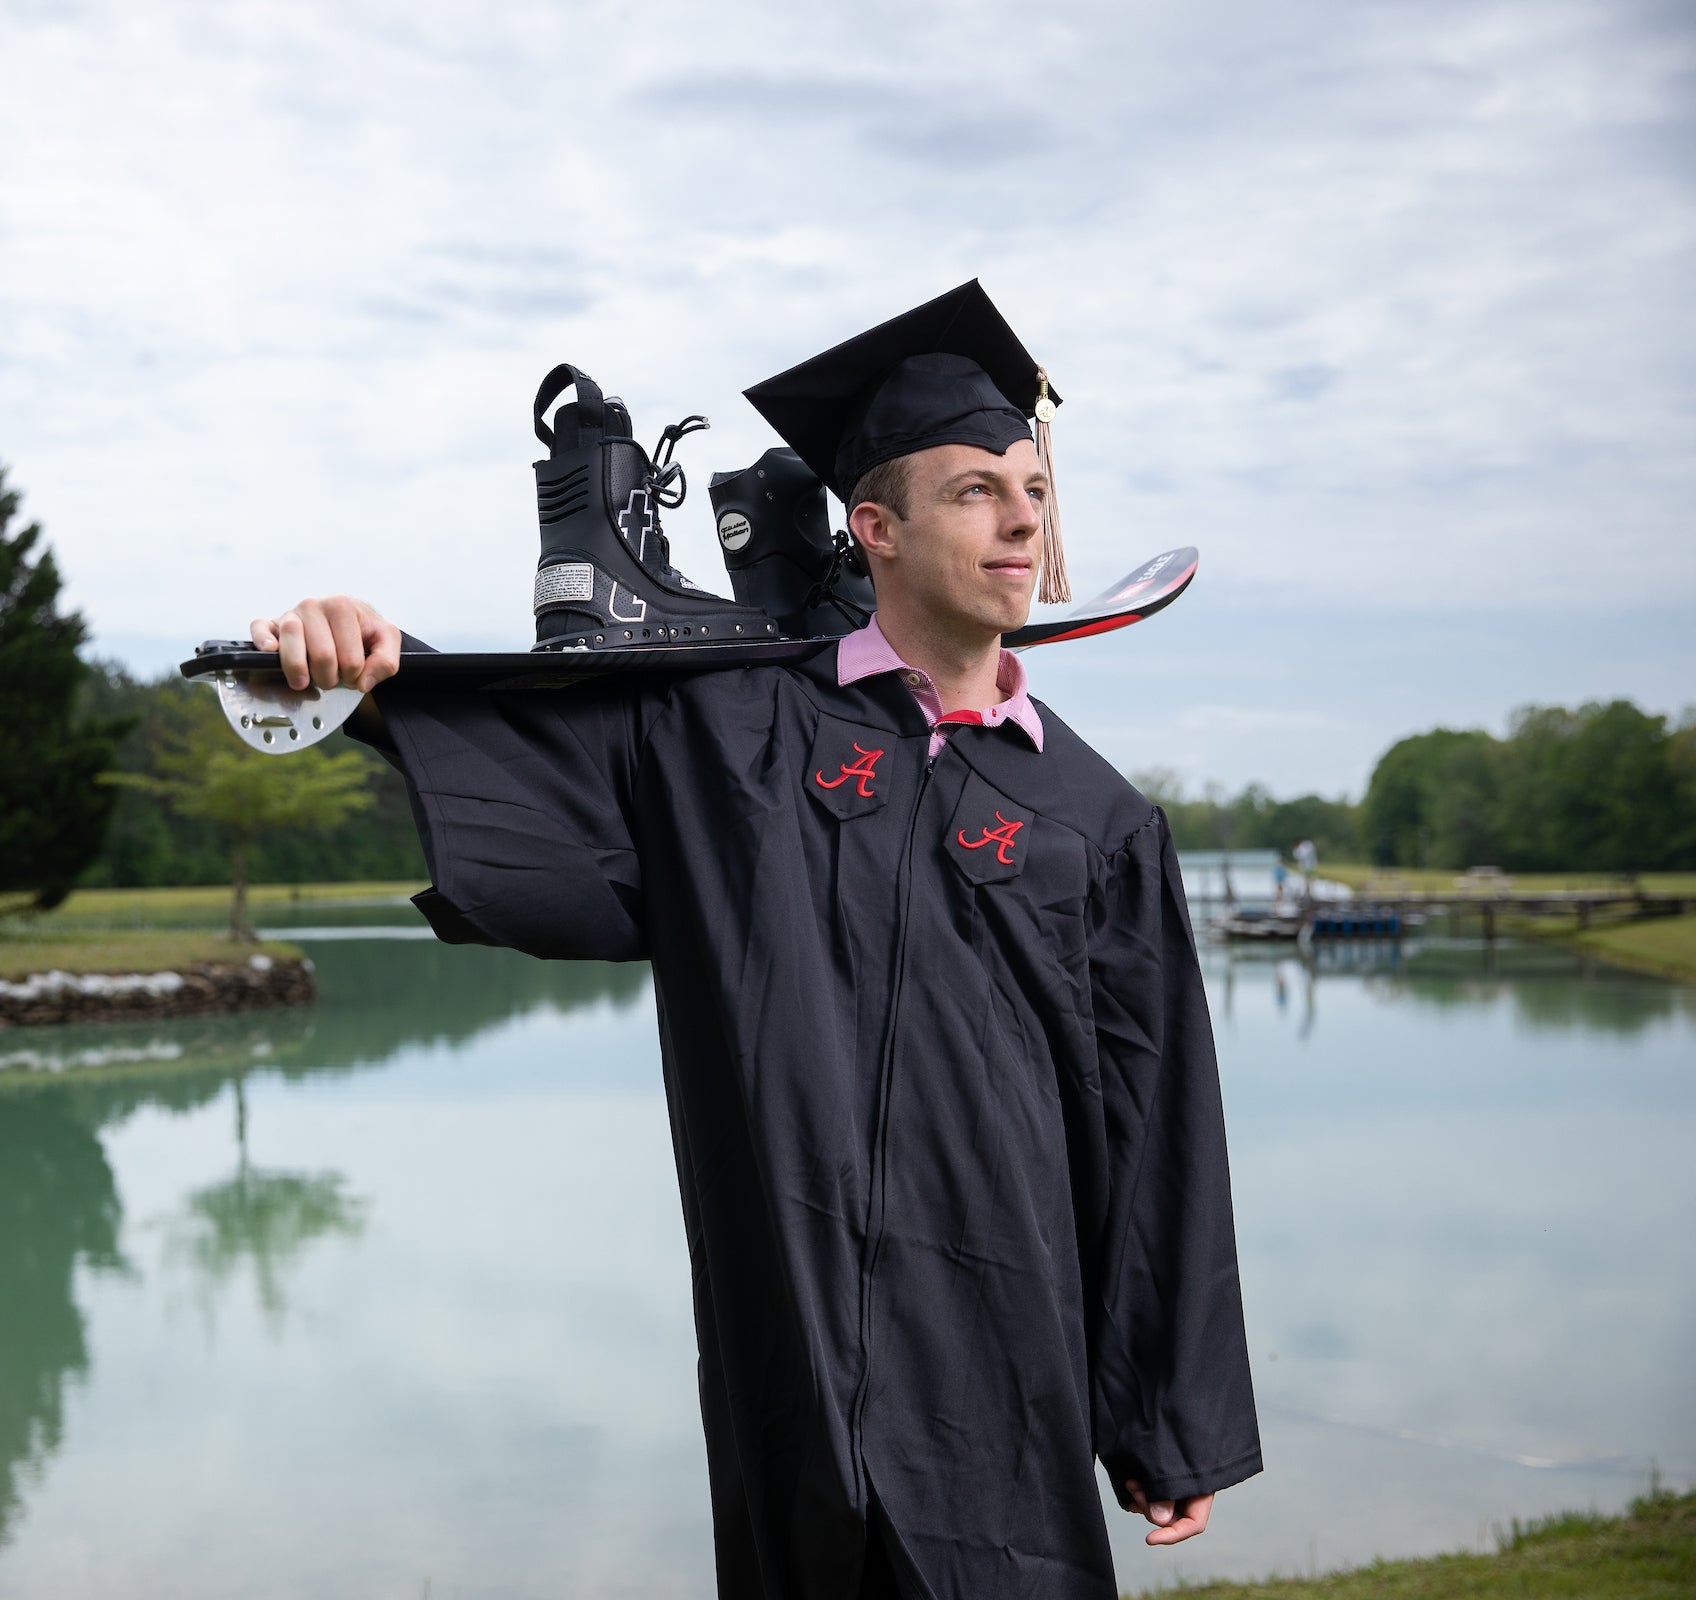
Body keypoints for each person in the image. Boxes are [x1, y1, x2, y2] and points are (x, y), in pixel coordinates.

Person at [250, 286, 1261, 1600]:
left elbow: (1157, 1129)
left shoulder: (1097, 823)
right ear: (877, 530)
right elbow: (536, 772)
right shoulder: (729, 744)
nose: (1022, 518)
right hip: (789, 1363)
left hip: (1004, 1376)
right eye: (974, 491)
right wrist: (365, 675)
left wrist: (1165, 1414)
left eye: (1030, 488)